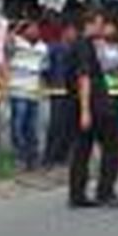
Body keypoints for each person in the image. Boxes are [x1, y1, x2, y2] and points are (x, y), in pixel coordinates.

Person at [67, 9, 118, 209]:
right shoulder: (84, 46)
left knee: (82, 150)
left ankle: (77, 195)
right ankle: (105, 192)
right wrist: (85, 110)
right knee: (112, 147)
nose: (102, 27)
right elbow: (83, 78)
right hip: (96, 106)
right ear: (90, 24)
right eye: (99, 23)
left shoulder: (77, 45)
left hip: (81, 106)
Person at [5, 19, 48, 171]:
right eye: (32, 28)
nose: (35, 31)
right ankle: (19, 158)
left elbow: (43, 69)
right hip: (17, 91)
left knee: (33, 128)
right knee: (17, 126)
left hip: (33, 92)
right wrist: (17, 27)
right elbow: (6, 43)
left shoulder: (43, 47)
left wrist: (42, 89)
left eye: (37, 28)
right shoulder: (17, 42)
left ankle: (32, 159)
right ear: (25, 30)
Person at [42, 16, 77, 167]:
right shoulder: (53, 48)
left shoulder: (75, 49)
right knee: (55, 126)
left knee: (68, 126)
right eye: (72, 31)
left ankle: (62, 157)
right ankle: (49, 158)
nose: (74, 34)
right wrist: (49, 83)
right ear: (65, 31)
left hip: (71, 92)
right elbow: (45, 68)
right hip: (57, 91)